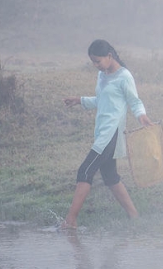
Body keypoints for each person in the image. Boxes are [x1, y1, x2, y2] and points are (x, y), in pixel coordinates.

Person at [61, 40, 152, 229]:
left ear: (109, 56)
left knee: (85, 171)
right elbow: (102, 100)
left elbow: (134, 101)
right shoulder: (102, 75)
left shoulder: (124, 76)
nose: (96, 66)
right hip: (102, 130)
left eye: (98, 61)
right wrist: (80, 100)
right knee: (110, 175)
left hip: (112, 132)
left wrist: (141, 116)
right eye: (93, 62)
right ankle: (135, 217)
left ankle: (71, 221)